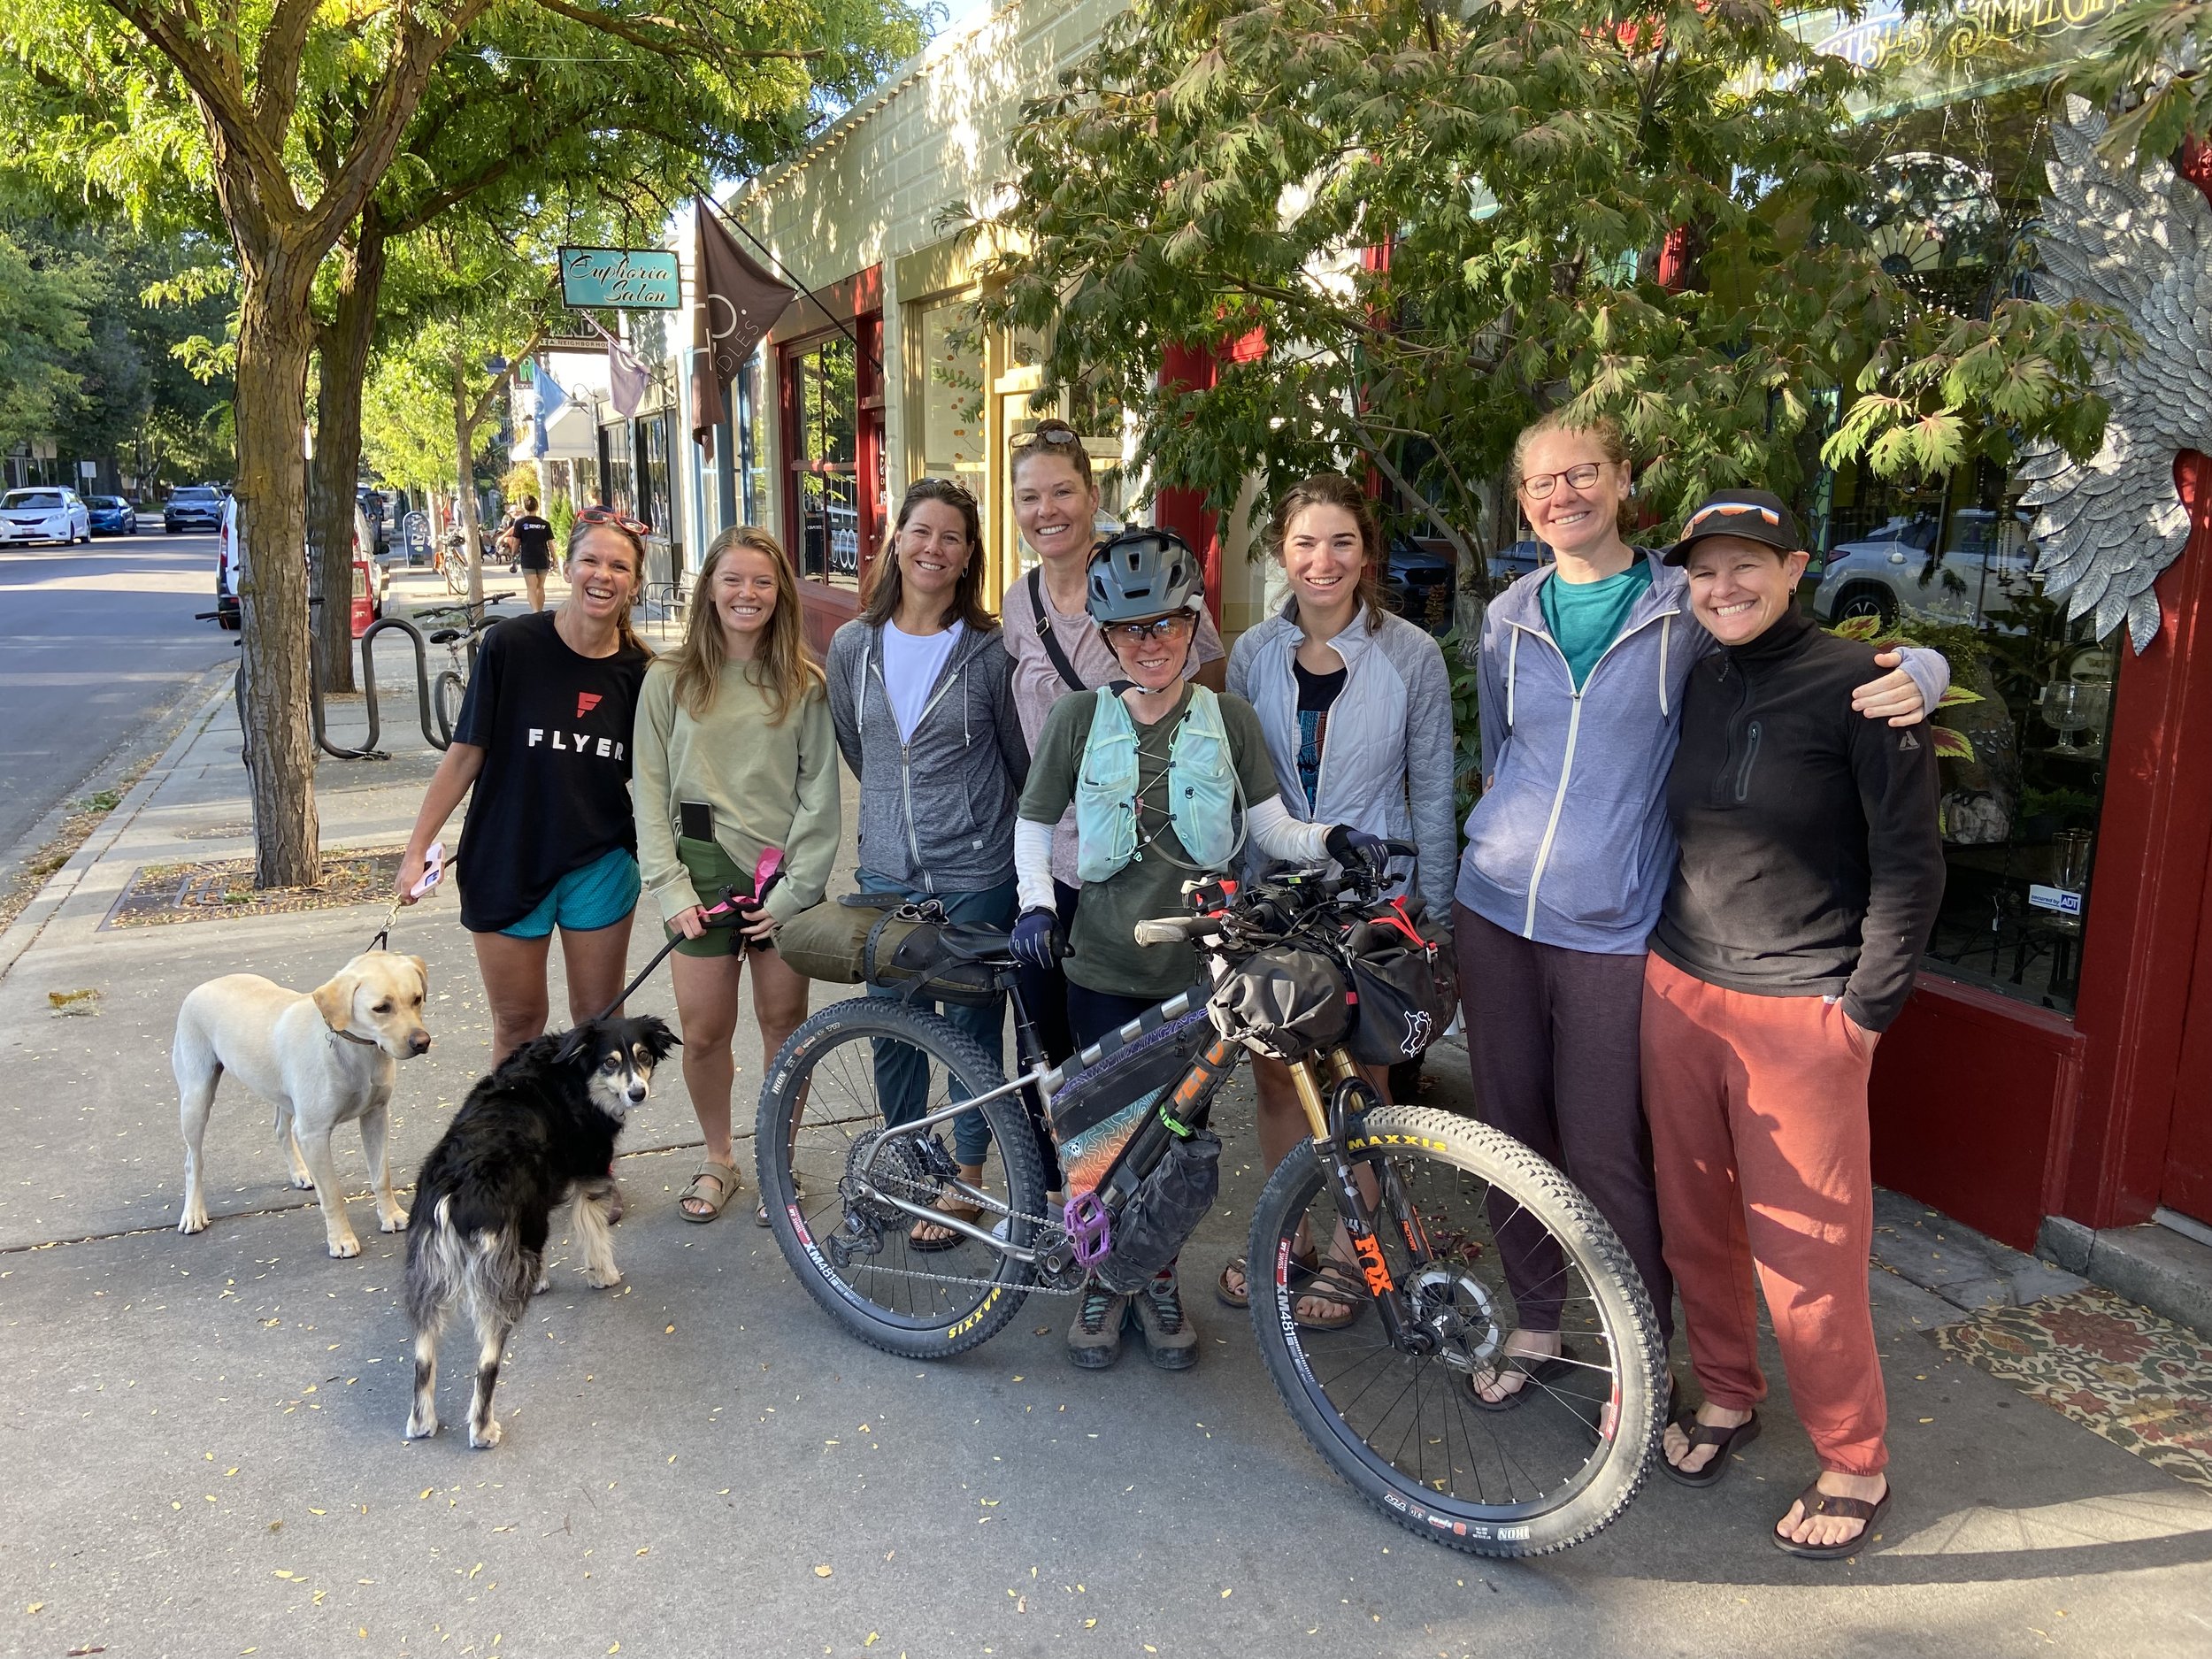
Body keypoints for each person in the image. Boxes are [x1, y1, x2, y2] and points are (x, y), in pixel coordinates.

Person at [1452, 412, 1948, 1406]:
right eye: (1542, 484)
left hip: (1614, 927)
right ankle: (1538, 1319)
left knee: (1605, 1152)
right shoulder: (1508, 615)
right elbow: (1503, 753)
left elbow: (1805, 661)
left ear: (1622, 479)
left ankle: (1631, 1356)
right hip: (1494, 908)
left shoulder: (1688, 602)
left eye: (1583, 474)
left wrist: (1920, 677)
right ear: (1523, 504)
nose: (1564, 497)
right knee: (1507, 1132)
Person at [1640, 490, 1942, 1558]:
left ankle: (1853, 1457)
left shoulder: (1865, 689)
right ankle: (1727, 1391)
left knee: (1807, 1256)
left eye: (1746, 566)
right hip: (1677, 986)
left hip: (1800, 1009)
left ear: (1797, 566)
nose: (1723, 588)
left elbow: (1911, 867)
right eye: (1706, 570)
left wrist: (1863, 1012)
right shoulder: (1697, 669)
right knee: (1694, 1225)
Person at [1012, 527, 1383, 1372]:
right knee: (1105, 1143)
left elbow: (1272, 829)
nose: (1151, 645)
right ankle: (1107, 1285)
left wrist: (1336, 838)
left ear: (1193, 625)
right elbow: (1034, 823)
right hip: (1102, 968)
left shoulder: (1229, 719)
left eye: (1167, 626)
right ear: (1106, 638)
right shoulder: (1078, 718)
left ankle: (1160, 1276)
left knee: (1179, 1147)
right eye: (1131, 631)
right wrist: (1037, 905)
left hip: (1199, 979)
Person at [1217, 475, 1455, 1328]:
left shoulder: (1412, 655)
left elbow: (1430, 787)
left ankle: (1365, 1257)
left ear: (1367, 553)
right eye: (1306, 544)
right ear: (1282, 551)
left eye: (1342, 543)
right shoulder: (1251, 654)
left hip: (1371, 901)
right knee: (1278, 1081)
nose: (1324, 562)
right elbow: (1244, 786)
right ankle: (1297, 1239)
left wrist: (1436, 908)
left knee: (1364, 1084)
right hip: (1276, 899)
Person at [825, 478, 1029, 1248]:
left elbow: (1015, 758)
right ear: (896, 539)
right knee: (895, 1029)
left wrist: (972, 829)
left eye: (951, 537)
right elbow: (860, 746)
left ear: (969, 553)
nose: (933, 548)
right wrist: (890, 819)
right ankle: (911, 1169)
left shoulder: (989, 650)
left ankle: (967, 1184)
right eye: (921, 532)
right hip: (886, 876)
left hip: (977, 873)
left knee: (973, 1028)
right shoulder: (853, 645)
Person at [998, 419, 1226, 1066]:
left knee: (1141, 1055)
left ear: (1093, 495)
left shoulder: (1151, 577)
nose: (1048, 511)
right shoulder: (1020, 604)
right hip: (1050, 855)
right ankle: (1050, 1172)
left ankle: (1139, 1169)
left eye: (1063, 492)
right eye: (1030, 497)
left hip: (1141, 865)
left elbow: (1205, 698)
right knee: (1043, 1046)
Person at [634, 526, 838, 1223]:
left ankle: (777, 1159)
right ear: (709, 589)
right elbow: (649, 792)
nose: (746, 593)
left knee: (785, 1023)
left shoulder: (804, 686)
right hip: (699, 875)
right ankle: (719, 1156)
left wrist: (795, 892)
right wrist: (671, 887)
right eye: (733, 580)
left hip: (781, 882)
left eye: (761, 581)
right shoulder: (668, 680)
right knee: (704, 1030)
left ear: (779, 591)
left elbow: (820, 798)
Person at [396, 510, 653, 1062]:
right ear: (566, 567)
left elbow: (657, 778)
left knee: (599, 1025)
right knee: (519, 1025)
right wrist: (417, 850)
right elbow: (465, 754)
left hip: (599, 861)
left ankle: (592, 1151)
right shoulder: (511, 645)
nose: (602, 575)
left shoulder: (643, 672)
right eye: (590, 560)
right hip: (507, 856)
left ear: (635, 581)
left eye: (619, 566)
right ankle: (515, 1148)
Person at [509, 495, 556, 612]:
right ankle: (539, 611)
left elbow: (516, 542)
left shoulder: (520, 524)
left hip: (528, 559)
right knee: (540, 587)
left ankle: (535, 612)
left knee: (531, 588)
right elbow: (551, 543)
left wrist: (513, 554)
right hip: (542, 558)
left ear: (525, 508)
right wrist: (554, 557)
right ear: (537, 507)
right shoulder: (545, 524)